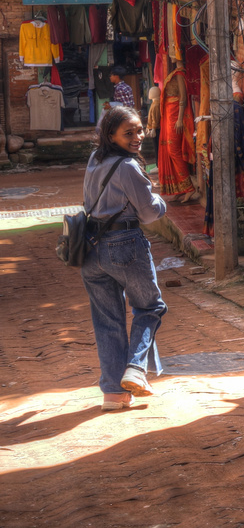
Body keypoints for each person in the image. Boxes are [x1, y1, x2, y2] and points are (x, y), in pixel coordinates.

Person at [81, 105, 168, 412]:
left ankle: (114, 394)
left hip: (91, 248)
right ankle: (136, 368)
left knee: (107, 321)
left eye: (140, 130)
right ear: (111, 135)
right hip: (125, 244)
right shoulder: (128, 167)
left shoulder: (95, 159)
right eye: (129, 133)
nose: (137, 137)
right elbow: (148, 214)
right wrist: (159, 200)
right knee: (150, 307)